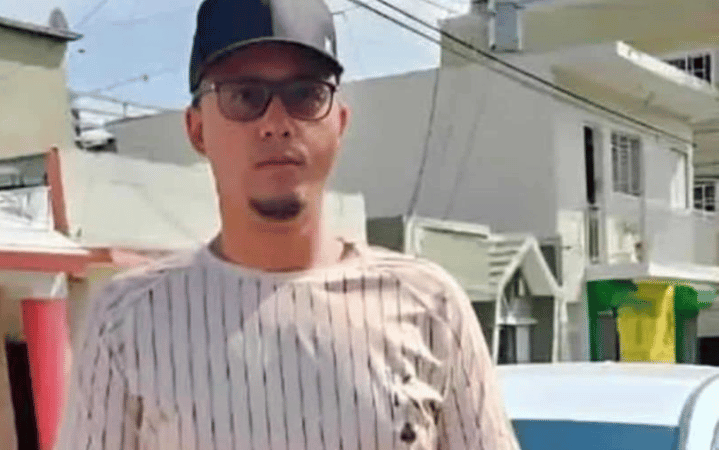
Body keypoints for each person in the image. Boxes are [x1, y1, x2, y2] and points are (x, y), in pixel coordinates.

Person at [56, 0, 520, 448]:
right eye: (244, 96)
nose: (276, 123)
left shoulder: (431, 307)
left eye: (305, 94)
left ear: (339, 123)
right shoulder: (128, 321)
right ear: (197, 130)